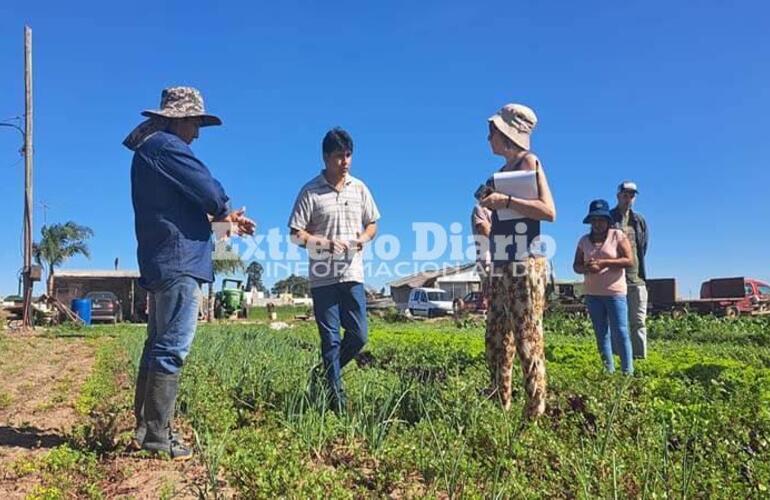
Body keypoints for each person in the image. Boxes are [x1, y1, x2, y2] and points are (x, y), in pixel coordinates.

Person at [123, 86, 255, 459]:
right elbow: (210, 192)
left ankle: (147, 429)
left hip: (164, 258)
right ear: (178, 118)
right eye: (195, 122)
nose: (197, 133)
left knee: (157, 346)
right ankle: (158, 437)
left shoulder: (151, 152)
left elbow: (186, 207)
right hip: (179, 262)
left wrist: (227, 220)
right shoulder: (167, 147)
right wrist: (224, 208)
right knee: (172, 348)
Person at [288, 128, 380, 412]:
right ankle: (336, 404)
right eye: (339, 156)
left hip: (352, 274)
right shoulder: (310, 191)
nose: (345, 161)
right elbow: (295, 234)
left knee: (359, 334)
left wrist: (362, 240)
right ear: (326, 157)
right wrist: (325, 244)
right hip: (323, 278)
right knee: (330, 339)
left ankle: (325, 373)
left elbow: (373, 224)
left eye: (349, 155)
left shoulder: (360, 188)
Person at [478, 103, 556, 417]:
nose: (488, 138)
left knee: (527, 338)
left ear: (507, 133)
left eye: (492, 132)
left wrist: (507, 200)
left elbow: (549, 211)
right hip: (500, 263)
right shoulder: (500, 174)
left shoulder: (530, 161)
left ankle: (534, 413)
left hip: (525, 263)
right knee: (497, 340)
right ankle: (502, 406)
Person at [573, 199, 634, 374]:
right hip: (593, 294)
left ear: (607, 221)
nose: (598, 224)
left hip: (615, 293)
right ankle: (608, 371)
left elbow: (629, 261)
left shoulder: (617, 236)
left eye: (601, 220)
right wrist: (587, 267)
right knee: (601, 334)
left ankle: (627, 372)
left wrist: (604, 263)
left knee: (621, 332)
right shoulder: (584, 240)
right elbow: (576, 265)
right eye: (594, 220)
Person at [611, 181, 649, 359]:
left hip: (637, 279)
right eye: (625, 195)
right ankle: (619, 359)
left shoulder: (639, 221)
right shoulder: (608, 218)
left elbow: (644, 247)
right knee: (618, 323)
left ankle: (640, 359)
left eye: (632, 196)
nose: (628, 199)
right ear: (618, 196)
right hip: (614, 280)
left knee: (638, 322)